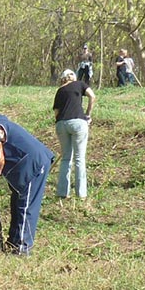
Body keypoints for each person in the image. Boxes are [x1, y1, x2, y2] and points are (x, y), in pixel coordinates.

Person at [0, 114, 54, 256]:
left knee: (26, 205)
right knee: (17, 203)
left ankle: (22, 248)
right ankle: (13, 242)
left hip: (33, 165)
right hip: (25, 165)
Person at [53, 69, 95, 200]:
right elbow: (92, 96)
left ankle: (62, 193)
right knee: (79, 158)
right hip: (78, 122)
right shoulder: (79, 84)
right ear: (73, 77)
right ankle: (81, 194)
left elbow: (56, 111)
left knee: (66, 159)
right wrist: (88, 114)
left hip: (61, 124)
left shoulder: (60, 90)